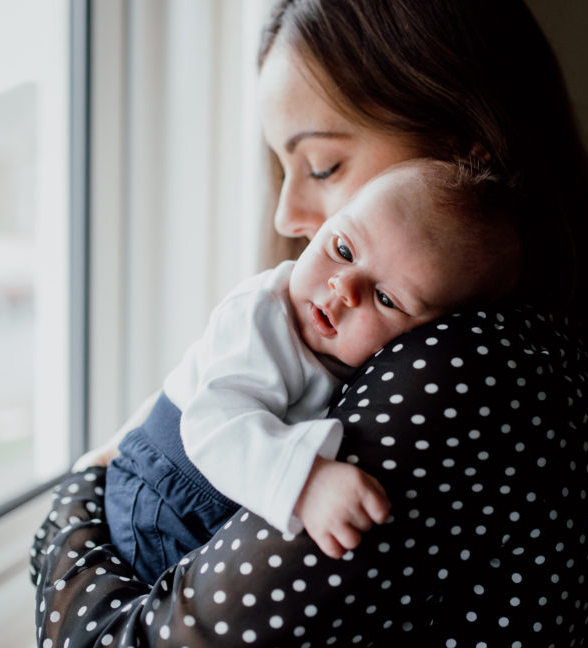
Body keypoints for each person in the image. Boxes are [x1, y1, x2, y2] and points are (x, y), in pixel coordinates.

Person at [30, 0, 588, 648]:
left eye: (321, 166)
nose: (291, 214)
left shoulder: (463, 380)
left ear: (463, 148)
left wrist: (71, 502)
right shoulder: (540, 359)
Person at [102, 156, 520, 588]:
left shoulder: (393, 371)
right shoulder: (263, 316)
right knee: (169, 626)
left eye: (387, 299)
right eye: (342, 250)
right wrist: (307, 482)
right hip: (165, 493)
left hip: (220, 498)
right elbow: (212, 424)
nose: (344, 287)